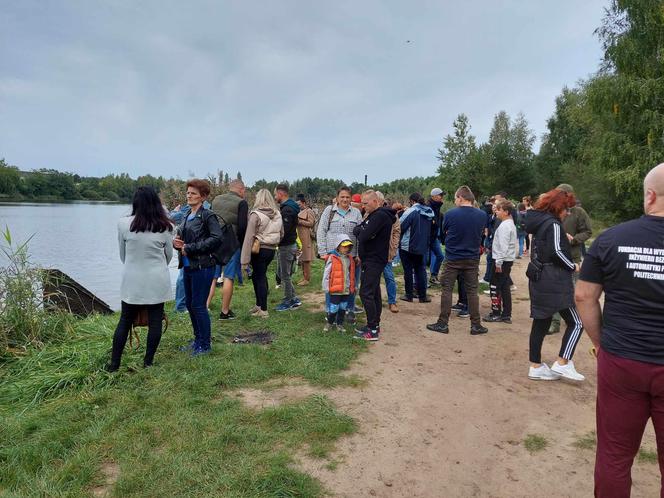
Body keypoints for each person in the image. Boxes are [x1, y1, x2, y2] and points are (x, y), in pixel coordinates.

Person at [575, 163, 664, 496]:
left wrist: (602, 343)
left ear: (650, 195)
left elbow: (584, 295)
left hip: (622, 360)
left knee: (614, 453)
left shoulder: (612, 239)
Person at [106, 186, 174, 371]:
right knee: (155, 321)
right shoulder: (166, 226)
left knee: (125, 320)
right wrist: (157, 265)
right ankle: (148, 362)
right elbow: (168, 255)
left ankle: (114, 364)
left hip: (132, 278)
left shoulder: (123, 224)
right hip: (157, 278)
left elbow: (123, 255)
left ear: (135, 203)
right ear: (156, 203)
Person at [523, 188, 584, 381]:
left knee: (541, 321)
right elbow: (557, 252)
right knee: (577, 322)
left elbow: (547, 247)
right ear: (558, 207)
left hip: (539, 278)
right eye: (566, 209)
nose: (567, 213)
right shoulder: (554, 225)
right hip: (554, 281)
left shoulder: (541, 223)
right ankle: (563, 362)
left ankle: (535, 366)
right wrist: (573, 266)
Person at [426, 186, 488, 336]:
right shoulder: (482, 215)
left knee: (446, 289)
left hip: (453, 257)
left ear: (461, 197)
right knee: (472, 291)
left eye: (455, 198)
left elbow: (445, 232)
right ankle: (476, 324)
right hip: (472, 258)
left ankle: (443, 323)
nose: (454, 201)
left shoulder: (450, 214)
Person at [173, 179, 223, 356]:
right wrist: (177, 244)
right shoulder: (187, 215)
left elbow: (217, 238)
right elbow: (184, 241)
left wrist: (190, 248)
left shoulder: (208, 215)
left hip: (203, 266)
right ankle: (197, 341)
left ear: (203, 196)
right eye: (188, 193)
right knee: (189, 304)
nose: (189, 196)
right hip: (187, 266)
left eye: (193, 193)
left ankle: (205, 344)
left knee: (199, 305)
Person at [548, 183, 592, 334]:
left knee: (572, 291)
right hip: (554, 257)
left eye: (562, 194)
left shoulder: (578, 212)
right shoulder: (552, 210)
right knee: (554, 290)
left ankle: (574, 320)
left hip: (572, 257)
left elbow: (587, 231)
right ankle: (554, 322)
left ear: (568, 195)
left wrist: (573, 239)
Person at [352, 190, 396, 341]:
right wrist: (363, 230)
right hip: (370, 259)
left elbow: (363, 235)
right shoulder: (372, 215)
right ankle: (374, 324)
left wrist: (363, 231)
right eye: (362, 203)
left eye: (366, 203)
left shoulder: (381, 216)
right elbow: (359, 228)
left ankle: (372, 330)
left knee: (366, 293)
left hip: (374, 259)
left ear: (375, 202)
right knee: (374, 291)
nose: (363, 206)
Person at [317, 186, 364, 322]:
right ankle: (330, 311)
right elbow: (321, 231)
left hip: (352, 255)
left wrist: (359, 254)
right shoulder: (329, 211)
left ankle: (349, 310)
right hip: (334, 255)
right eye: (342, 196)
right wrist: (323, 252)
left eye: (347, 197)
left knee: (351, 284)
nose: (345, 199)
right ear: (337, 198)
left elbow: (361, 235)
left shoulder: (356, 213)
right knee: (333, 283)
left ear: (351, 199)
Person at [240, 189, 283, 318]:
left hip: (258, 249)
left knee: (260, 277)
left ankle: (263, 310)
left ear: (258, 199)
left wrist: (244, 261)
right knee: (259, 276)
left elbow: (249, 237)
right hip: (271, 250)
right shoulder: (277, 214)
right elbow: (281, 233)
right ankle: (259, 305)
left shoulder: (255, 215)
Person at [211, 179, 248, 320]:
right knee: (228, 277)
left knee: (213, 277)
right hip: (232, 243)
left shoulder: (216, 200)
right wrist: (241, 243)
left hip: (215, 241)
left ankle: (205, 306)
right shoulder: (241, 203)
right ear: (241, 189)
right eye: (244, 190)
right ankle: (224, 311)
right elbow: (243, 226)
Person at [169, 200, 211, 312]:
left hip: (186, 248)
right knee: (183, 277)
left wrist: (174, 210)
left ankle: (185, 305)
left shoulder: (185, 209)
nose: (189, 196)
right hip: (188, 249)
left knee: (184, 277)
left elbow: (171, 218)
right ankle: (182, 306)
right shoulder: (200, 209)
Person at [483, 199, 517, 323]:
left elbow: (503, 246)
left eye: (499, 209)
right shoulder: (510, 224)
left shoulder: (504, 226)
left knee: (494, 286)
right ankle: (506, 314)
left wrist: (498, 263)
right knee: (505, 287)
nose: (496, 211)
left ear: (506, 212)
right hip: (506, 260)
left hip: (501, 261)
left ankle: (496, 312)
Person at [399, 193, 435, 303]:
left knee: (408, 271)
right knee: (421, 270)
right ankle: (422, 296)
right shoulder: (429, 212)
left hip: (408, 246)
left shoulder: (411, 211)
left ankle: (409, 295)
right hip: (422, 246)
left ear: (412, 201)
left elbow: (401, 226)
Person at [274, 184, 301, 311]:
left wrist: (275, 239)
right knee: (283, 273)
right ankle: (294, 298)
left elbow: (284, 230)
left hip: (286, 246)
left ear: (281, 194)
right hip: (288, 245)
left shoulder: (287, 210)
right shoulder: (290, 208)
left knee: (284, 274)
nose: (275, 197)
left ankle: (288, 301)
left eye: (275, 194)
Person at [322, 234, 356, 332]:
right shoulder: (332, 258)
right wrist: (326, 287)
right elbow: (326, 273)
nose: (346, 249)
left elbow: (351, 274)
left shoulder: (350, 259)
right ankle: (329, 323)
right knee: (333, 308)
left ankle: (340, 324)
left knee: (342, 308)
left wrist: (352, 287)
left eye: (348, 247)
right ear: (338, 246)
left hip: (346, 289)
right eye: (344, 246)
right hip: (335, 290)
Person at [376, 191, 400, 313]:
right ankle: (374, 302)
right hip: (373, 252)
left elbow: (396, 230)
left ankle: (392, 302)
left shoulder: (392, 214)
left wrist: (394, 247)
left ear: (381, 201)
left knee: (389, 277)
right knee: (373, 278)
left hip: (386, 252)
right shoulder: (370, 212)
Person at [295, 194, 316, 286]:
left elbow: (311, 223)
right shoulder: (301, 211)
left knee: (306, 259)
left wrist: (300, 221)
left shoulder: (309, 211)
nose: (298, 206)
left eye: (299, 204)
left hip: (307, 237)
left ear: (304, 203)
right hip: (301, 238)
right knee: (303, 259)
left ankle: (307, 279)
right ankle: (304, 277)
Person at [427, 188, 446, 285]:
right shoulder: (428, 206)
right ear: (433, 196)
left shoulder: (437, 206)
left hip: (434, 238)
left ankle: (433, 276)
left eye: (442, 195)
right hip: (426, 238)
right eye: (440, 195)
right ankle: (420, 281)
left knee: (440, 256)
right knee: (423, 260)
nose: (442, 197)